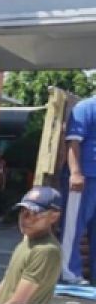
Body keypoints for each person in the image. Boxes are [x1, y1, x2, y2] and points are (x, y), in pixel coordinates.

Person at [63, 95, 96, 284]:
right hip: (85, 178)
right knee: (74, 227)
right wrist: (75, 172)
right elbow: (73, 142)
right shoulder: (86, 107)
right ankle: (70, 272)